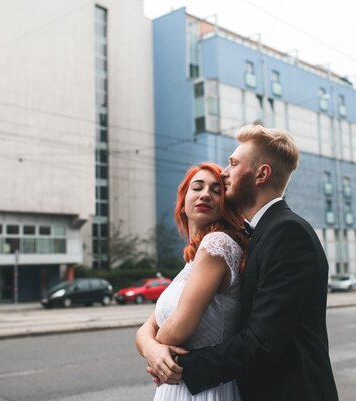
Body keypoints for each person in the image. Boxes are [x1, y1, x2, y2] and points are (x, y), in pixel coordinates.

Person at [144, 123, 338, 401]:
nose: (224, 172)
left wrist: (178, 367)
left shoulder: (287, 233)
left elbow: (261, 343)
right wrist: (152, 348)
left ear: (261, 174)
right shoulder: (260, 234)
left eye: (233, 164)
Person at [136, 162, 249, 401]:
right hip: (178, 386)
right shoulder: (190, 263)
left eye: (216, 190)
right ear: (183, 203)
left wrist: (150, 348)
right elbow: (149, 327)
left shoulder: (217, 244)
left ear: (225, 205)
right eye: (197, 187)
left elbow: (177, 330)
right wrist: (152, 349)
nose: (206, 194)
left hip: (204, 389)